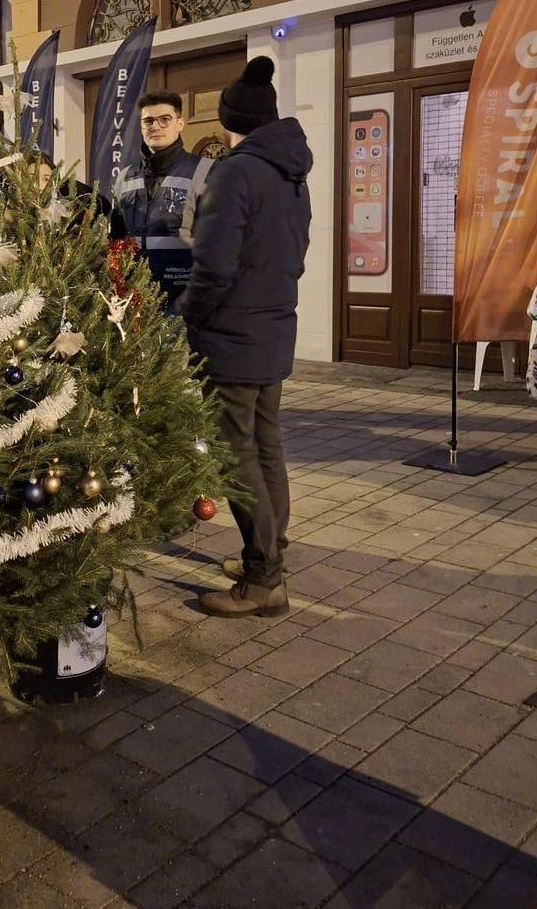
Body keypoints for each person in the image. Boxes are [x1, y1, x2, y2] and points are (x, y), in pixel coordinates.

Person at [179, 56, 313, 618]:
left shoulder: (235, 172)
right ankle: (268, 553)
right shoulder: (291, 172)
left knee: (238, 457)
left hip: (233, 335)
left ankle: (264, 581)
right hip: (274, 328)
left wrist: (194, 315)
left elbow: (214, 264)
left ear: (233, 119)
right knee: (266, 446)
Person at [111, 90, 213, 314]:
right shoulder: (125, 176)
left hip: (185, 298)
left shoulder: (206, 171)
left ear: (180, 123)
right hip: (134, 299)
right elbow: (116, 237)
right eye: (148, 121)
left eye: (164, 119)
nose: (155, 126)